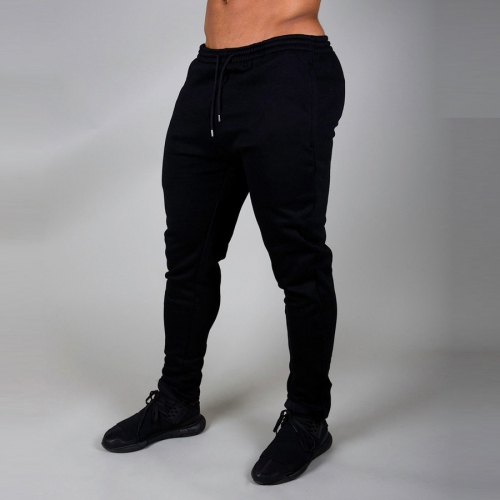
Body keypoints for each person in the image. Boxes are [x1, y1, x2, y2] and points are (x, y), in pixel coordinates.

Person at [101, 0, 345, 485]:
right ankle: (177, 401)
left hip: (287, 66)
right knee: (187, 255)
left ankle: (308, 418)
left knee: (299, 260)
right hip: (209, 72)